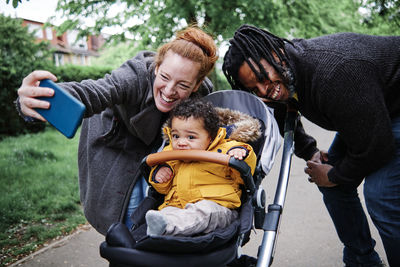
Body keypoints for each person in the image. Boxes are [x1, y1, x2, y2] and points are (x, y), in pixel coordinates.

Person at [222, 24, 400, 266]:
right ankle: (362, 260)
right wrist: (311, 153)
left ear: (276, 54)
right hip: (373, 115)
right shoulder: (287, 71)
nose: (265, 91)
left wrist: (336, 174)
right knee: (326, 176)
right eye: (254, 89)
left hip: (392, 110)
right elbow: (284, 112)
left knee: (381, 196)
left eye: (262, 79)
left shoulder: (334, 73)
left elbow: (378, 148)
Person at [15, 26, 218, 235]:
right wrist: (40, 98)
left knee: (162, 217)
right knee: (126, 225)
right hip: (117, 147)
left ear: (196, 85)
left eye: (183, 85)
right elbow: (95, 91)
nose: (169, 90)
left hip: (155, 152)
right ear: (156, 67)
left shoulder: (202, 95)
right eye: (165, 77)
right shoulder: (135, 75)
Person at [145, 98, 257, 236]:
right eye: (175, 136)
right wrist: (160, 175)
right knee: (166, 213)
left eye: (190, 137)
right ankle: (161, 225)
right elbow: (163, 190)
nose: (181, 142)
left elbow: (243, 176)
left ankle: (166, 227)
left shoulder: (225, 149)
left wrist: (241, 154)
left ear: (210, 137)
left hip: (218, 207)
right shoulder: (169, 154)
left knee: (203, 211)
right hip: (177, 205)